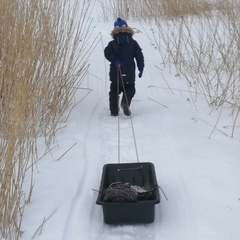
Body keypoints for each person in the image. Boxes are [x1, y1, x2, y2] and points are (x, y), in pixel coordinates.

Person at [104, 18, 144, 116]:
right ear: (127, 28)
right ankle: (125, 102)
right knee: (130, 89)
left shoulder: (112, 43)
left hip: (115, 72)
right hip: (129, 72)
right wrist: (141, 67)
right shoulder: (133, 42)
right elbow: (139, 56)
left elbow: (107, 52)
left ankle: (114, 112)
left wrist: (114, 59)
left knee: (114, 91)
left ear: (115, 30)